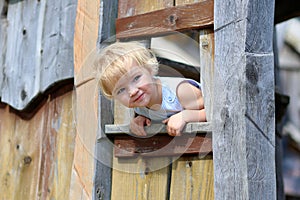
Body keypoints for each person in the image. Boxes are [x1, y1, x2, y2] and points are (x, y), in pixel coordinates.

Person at [96, 41, 206, 136]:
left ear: (149, 69)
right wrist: (141, 119)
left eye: (136, 78)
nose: (132, 92)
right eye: (120, 90)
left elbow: (214, 112)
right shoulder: (139, 104)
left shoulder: (180, 91)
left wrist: (186, 116)